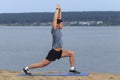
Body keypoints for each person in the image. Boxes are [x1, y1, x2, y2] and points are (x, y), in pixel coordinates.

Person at [23, 4, 80, 75]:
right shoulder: (54, 30)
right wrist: (56, 10)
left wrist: (60, 10)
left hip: (59, 52)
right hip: (54, 52)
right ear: (57, 25)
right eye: (61, 24)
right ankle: (26, 68)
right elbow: (55, 19)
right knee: (43, 64)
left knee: (72, 53)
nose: (63, 25)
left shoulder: (59, 29)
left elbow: (59, 18)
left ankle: (72, 69)